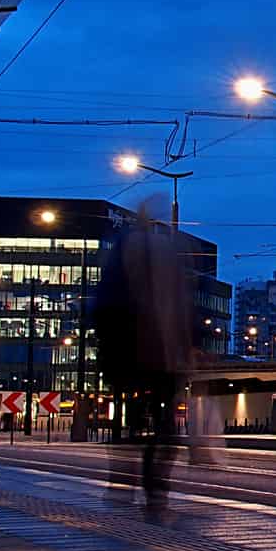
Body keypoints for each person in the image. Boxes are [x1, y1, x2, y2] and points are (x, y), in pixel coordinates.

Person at [90, 198, 194, 508]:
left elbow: (103, 303)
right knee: (165, 423)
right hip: (164, 355)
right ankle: (155, 481)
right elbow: (184, 305)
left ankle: (125, 475)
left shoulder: (121, 250)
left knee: (130, 422)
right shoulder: (173, 252)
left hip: (127, 354)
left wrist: (105, 342)